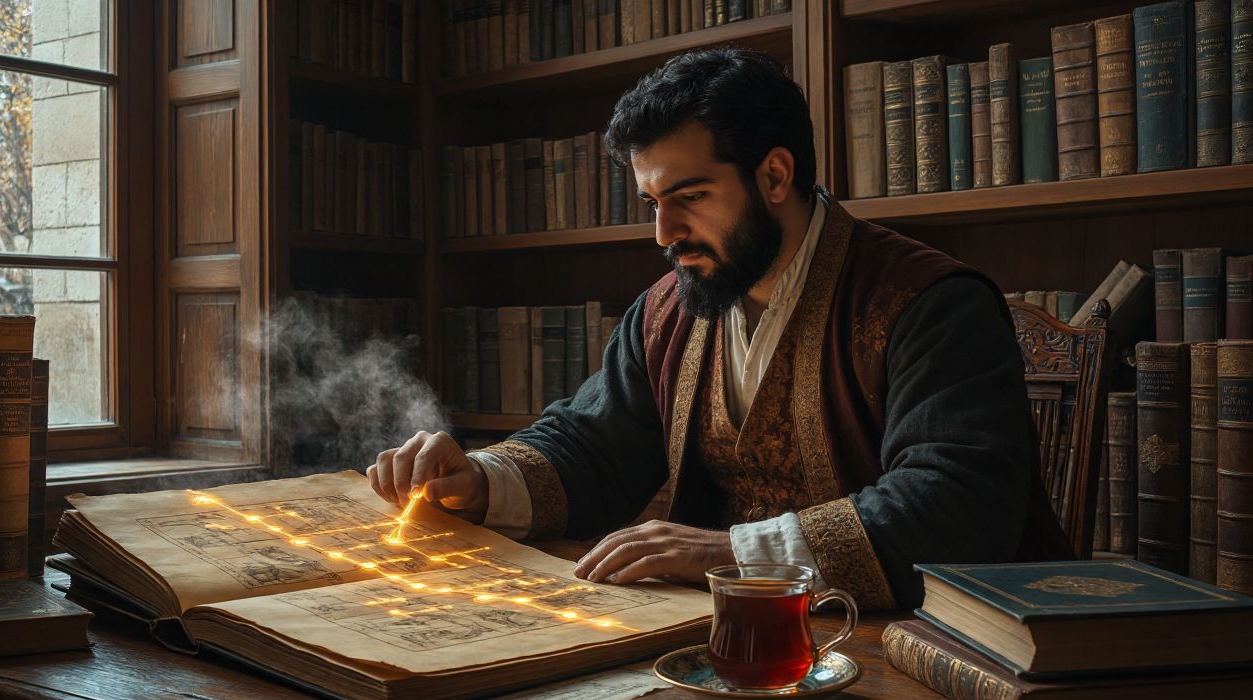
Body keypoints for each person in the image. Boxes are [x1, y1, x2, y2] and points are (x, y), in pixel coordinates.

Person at [368, 47, 1070, 609]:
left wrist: (732, 552)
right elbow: (593, 446)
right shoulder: (667, 311)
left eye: (691, 196)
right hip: (729, 640)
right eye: (651, 202)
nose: (663, 233)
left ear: (775, 176)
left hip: (931, 655)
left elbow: (955, 508)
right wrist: (480, 480)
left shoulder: (931, 303)